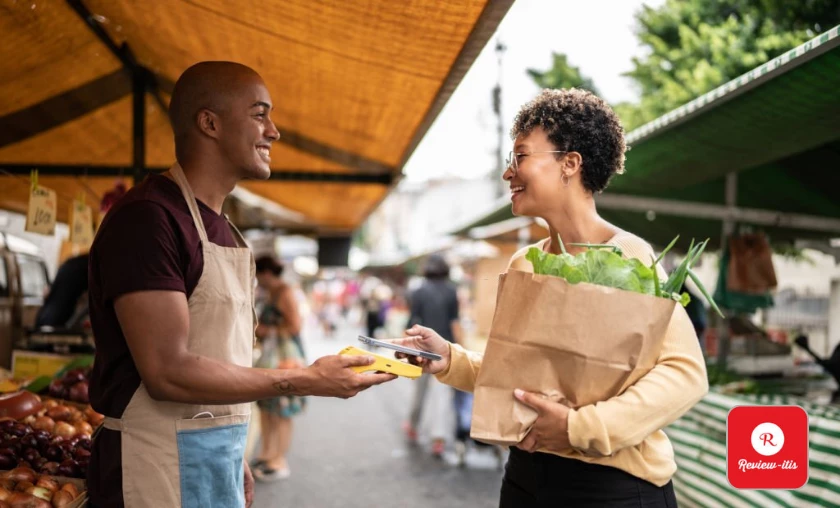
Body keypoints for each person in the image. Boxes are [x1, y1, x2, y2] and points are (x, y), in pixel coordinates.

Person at [86, 61, 395, 508]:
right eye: (259, 113)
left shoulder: (227, 232)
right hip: (152, 466)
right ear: (209, 123)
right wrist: (304, 379)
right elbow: (167, 371)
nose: (274, 131)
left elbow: (217, 357)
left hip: (216, 452)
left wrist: (233, 452)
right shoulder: (148, 219)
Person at [393, 89, 708, 507]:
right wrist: (450, 359)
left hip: (610, 486)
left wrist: (582, 428)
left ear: (570, 164)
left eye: (520, 157)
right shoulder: (525, 263)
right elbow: (519, 378)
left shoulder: (629, 256)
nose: (508, 173)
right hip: (526, 478)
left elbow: (685, 374)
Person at [252, 256, 306, 481]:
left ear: (266, 273)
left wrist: (266, 331)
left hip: (285, 357)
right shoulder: (272, 293)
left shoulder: (285, 292)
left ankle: (278, 459)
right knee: (267, 408)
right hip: (272, 356)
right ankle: (267, 454)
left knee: (282, 410)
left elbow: (295, 326)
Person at [403, 254, 461, 457]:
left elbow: (411, 322)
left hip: (421, 349)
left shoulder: (418, 291)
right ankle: (438, 439)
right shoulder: (452, 291)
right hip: (444, 349)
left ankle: (412, 426)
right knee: (442, 396)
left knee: (418, 392)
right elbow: (455, 322)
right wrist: (460, 348)